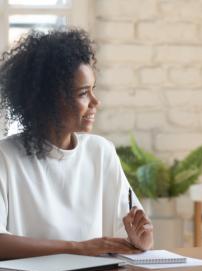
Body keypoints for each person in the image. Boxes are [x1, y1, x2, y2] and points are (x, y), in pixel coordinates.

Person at [0, 28, 153, 259]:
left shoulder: (101, 152)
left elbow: (129, 232)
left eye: (93, 90)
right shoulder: (6, 157)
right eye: (83, 93)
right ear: (49, 100)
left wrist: (142, 239)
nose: (95, 101)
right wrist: (79, 248)